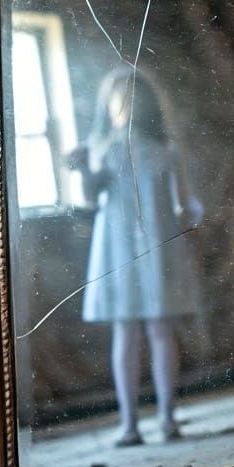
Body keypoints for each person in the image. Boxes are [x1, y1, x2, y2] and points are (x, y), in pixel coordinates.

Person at [67, 68, 201, 446]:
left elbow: (185, 202)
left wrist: (188, 231)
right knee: (125, 331)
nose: (125, 105)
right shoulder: (98, 146)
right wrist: (82, 172)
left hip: (158, 248)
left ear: (146, 103)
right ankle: (129, 423)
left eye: (131, 97)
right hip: (116, 249)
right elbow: (90, 200)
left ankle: (167, 418)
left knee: (161, 330)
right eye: (118, 97)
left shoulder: (165, 149)